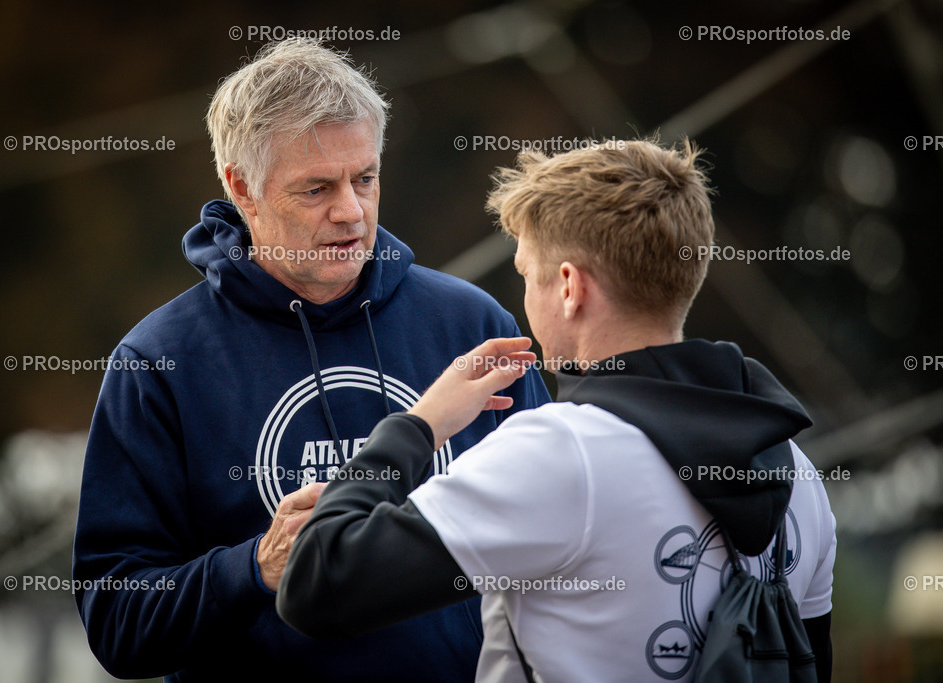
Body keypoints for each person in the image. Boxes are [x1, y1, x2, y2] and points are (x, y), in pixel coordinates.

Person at [72, 39, 549, 682]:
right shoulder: (157, 363)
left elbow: (555, 543)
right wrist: (254, 568)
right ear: (243, 189)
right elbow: (118, 623)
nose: (351, 211)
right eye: (317, 188)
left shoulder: (472, 328)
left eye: (365, 179)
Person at [277, 139, 837, 681]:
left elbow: (317, 582)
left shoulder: (557, 452)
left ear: (569, 287)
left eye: (526, 273)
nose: (525, 296)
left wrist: (420, 424)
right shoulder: (799, 473)